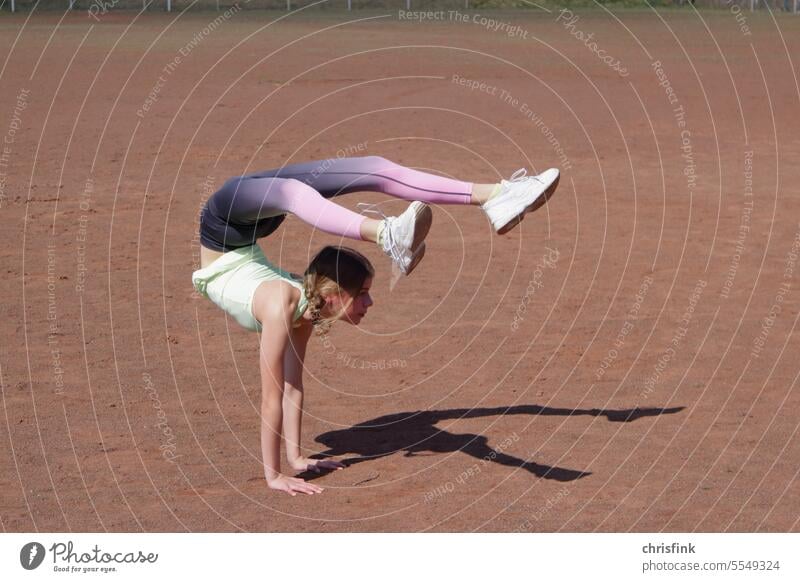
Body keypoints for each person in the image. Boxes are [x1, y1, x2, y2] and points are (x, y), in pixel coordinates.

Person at [191, 155, 560, 495]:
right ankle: (385, 234)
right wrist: (274, 475)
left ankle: (497, 196)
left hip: (244, 227)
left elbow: (293, 387)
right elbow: (271, 397)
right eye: (363, 293)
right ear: (333, 292)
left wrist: (297, 458)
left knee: (375, 168)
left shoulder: (305, 310)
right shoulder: (281, 303)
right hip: (223, 220)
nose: (370, 302)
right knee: (292, 192)